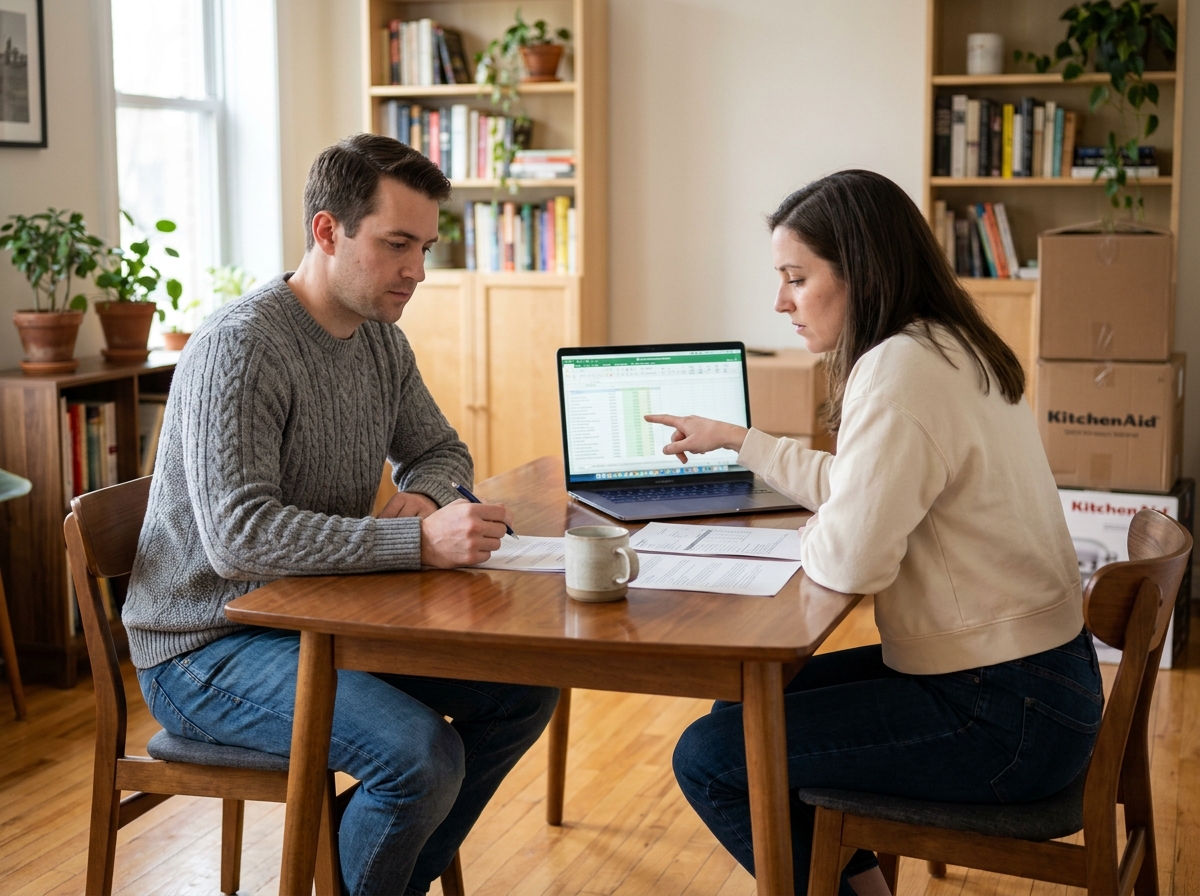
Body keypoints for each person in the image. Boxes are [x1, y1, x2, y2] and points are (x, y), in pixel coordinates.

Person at [123, 134, 559, 896]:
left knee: (522, 693)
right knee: (420, 757)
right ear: (328, 231)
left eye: (424, 246)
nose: (417, 271)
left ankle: (373, 879)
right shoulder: (243, 346)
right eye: (397, 245)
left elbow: (441, 450)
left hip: (315, 620)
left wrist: (424, 495)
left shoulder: (380, 341)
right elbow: (239, 538)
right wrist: (417, 541)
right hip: (205, 644)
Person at [646, 170, 1101, 896]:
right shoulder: (946, 344)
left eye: (796, 277)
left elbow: (852, 559)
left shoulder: (898, 370)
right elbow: (869, 488)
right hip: (1039, 687)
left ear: (859, 270)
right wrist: (740, 439)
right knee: (743, 708)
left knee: (712, 756)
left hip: (1003, 715)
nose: (780, 301)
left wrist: (810, 531)